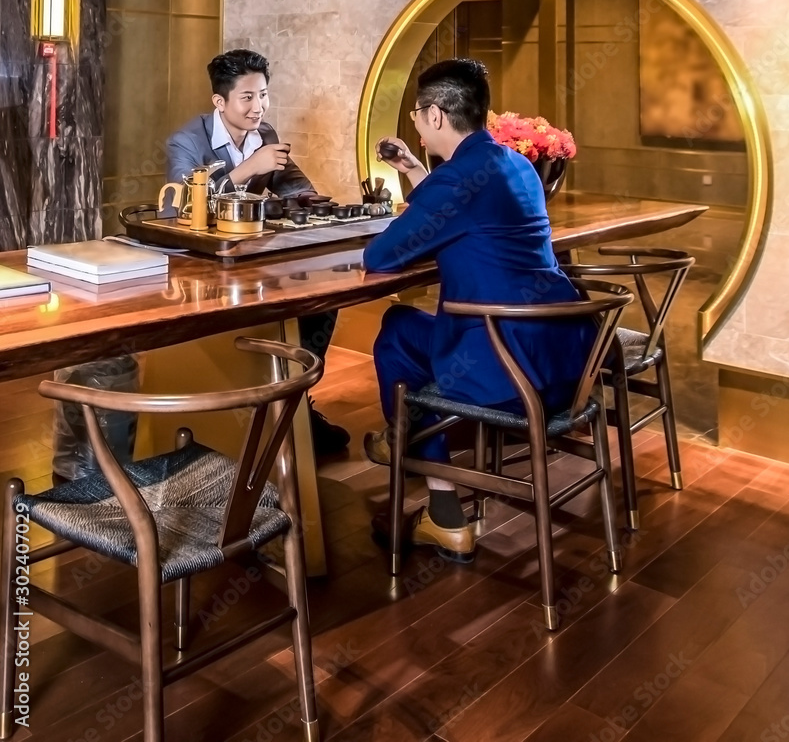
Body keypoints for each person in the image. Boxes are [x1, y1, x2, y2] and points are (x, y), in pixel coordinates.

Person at [362, 58, 594, 563]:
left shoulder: (456, 180)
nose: (418, 126)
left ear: (437, 116)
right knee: (418, 337)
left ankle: (440, 507)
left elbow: (380, 257)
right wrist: (419, 175)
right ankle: (400, 444)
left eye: (419, 115)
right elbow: (468, 211)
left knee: (399, 329)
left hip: (508, 369)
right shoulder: (517, 164)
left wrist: (426, 187)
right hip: (565, 360)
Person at [164, 48, 349, 456]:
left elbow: (294, 185)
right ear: (220, 101)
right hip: (203, 267)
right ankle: (249, 422)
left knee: (322, 299)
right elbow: (176, 209)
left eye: (263, 95)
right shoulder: (187, 141)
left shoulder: (264, 135)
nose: (258, 107)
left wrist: (315, 201)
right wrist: (248, 168)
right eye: (247, 98)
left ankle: (296, 407)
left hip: (255, 258)